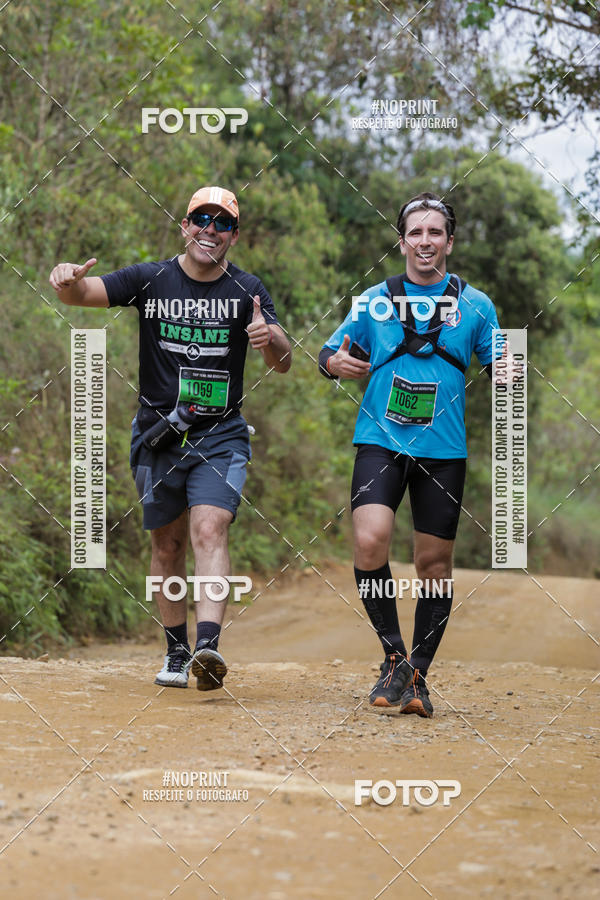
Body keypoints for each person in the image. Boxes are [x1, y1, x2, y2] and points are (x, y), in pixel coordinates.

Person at [50, 186, 291, 691]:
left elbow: (283, 361)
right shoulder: (151, 278)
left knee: (210, 528)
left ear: (234, 236)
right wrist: (67, 279)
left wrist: (270, 339)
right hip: (159, 435)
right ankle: (177, 652)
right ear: (184, 226)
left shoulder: (247, 289)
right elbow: (80, 295)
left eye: (223, 223)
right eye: (201, 219)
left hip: (220, 434)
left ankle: (208, 647)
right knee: (167, 544)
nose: (210, 230)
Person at [319, 192, 506, 717]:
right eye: (416, 232)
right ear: (401, 242)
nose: (426, 241)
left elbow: (502, 365)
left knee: (433, 563)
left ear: (450, 242)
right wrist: (335, 365)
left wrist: (509, 370)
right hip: (379, 441)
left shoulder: (477, 305)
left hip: (443, 451)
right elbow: (329, 352)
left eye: (435, 232)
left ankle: (418, 675)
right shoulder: (373, 300)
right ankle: (393, 657)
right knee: (369, 539)